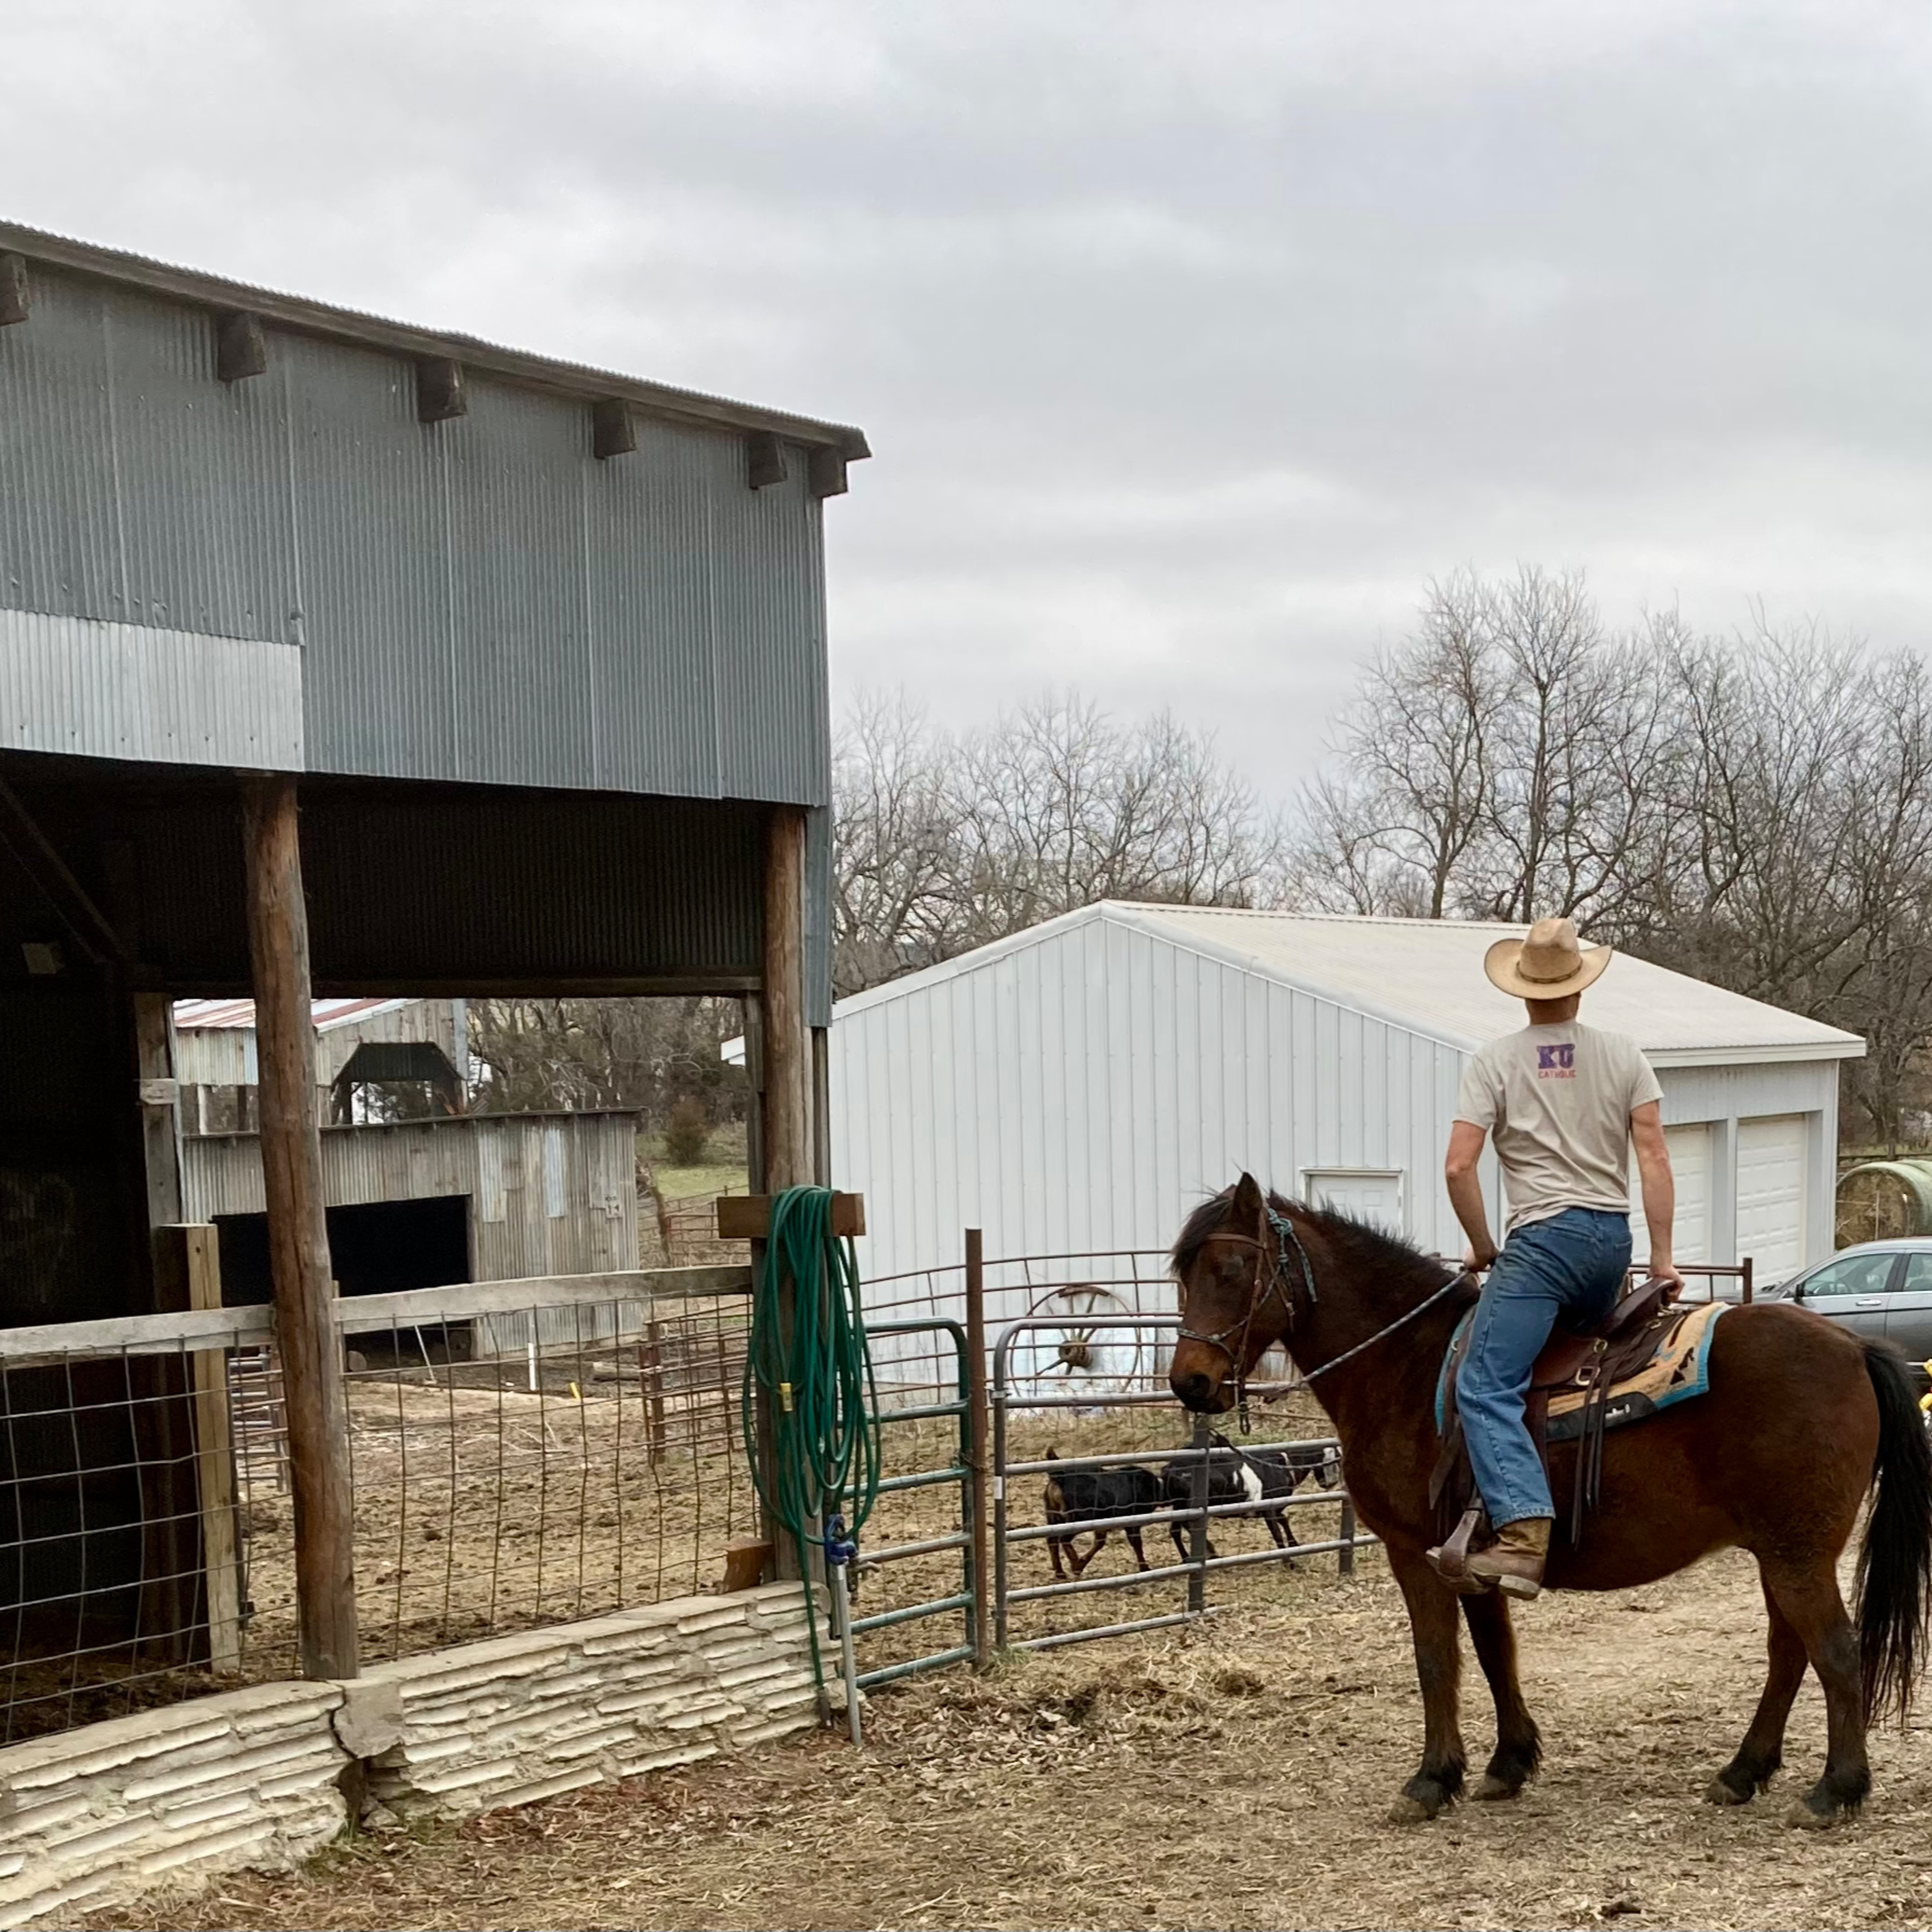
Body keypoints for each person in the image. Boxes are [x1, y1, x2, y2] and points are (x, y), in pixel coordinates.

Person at [1428, 916, 1680, 1600]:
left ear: (1523, 990)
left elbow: (1458, 1167)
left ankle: (1522, 1532)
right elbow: (1653, 1157)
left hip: (1541, 1247)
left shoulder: (1495, 1061)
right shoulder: (1625, 1054)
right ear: (1579, 986)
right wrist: (1662, 1260)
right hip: (1609, 1242)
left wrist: (1484, 1247)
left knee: (1484, 1383)